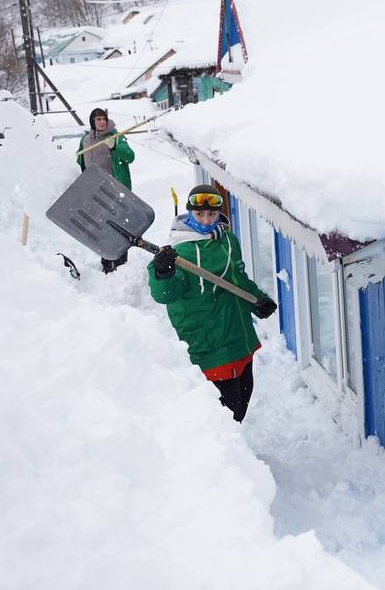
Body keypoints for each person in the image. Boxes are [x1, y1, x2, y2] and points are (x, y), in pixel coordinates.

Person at [148, 185, 277, 422]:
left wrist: (258, 300)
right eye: (199, 214)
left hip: (239, 337)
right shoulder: (179, 252)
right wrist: (162, 272)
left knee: (241, 404)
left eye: (211, 214)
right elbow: (166, 295)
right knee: (222, 417)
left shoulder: (226, 238)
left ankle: (236, 452)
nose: (206, 220)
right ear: (189, 214)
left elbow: (237, 278)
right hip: (209, 343)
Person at [77, 107, 136, 272]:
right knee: (102, 227)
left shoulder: (116, 137)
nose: (102, 122)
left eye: (103, 119)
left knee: (118, 227)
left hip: (116, 190)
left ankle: (121, 263)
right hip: (95, 191)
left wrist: (114, 148)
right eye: (98, 119)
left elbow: (130, 157)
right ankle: (107, 263)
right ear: (92, 122)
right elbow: (80, 162)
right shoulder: (85, 140)